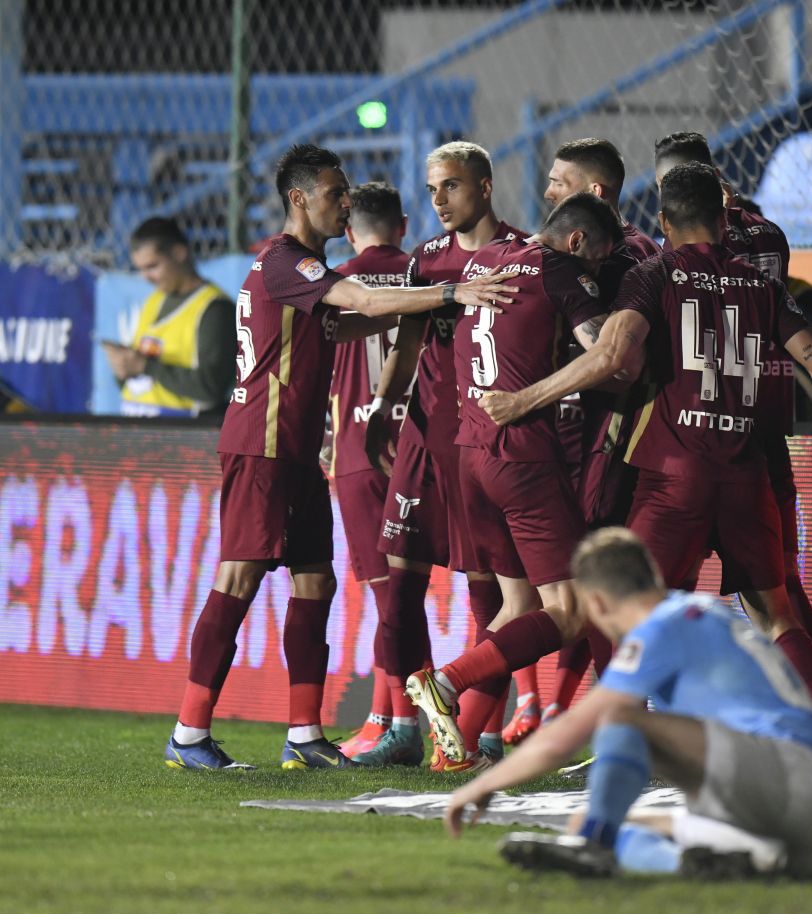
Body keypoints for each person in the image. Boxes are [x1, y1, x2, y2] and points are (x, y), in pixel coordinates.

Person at [475, 162, 812, 777]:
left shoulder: (653, 274)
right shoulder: (762, 286)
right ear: (722, 219)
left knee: (615, 602)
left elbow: (610, 355)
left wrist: (521, 400)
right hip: (747, 473)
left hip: (673, 477)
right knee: (775, 613)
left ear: (663, 223)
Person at [162, 143, 519, 771]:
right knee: (237, 581)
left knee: (316, 583)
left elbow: (347, 325)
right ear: (299, 199)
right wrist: (447, 296)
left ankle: (304, 734)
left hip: (298, 453)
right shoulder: (283, 262)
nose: (345, 202)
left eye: (347, 192)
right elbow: (365, 305)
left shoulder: (300, 275)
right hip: (262, 446)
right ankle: (189, 733)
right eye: (334, 193)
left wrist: (421, 318)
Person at [653, 132, 812, 775]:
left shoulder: (669, 262)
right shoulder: (769, 239)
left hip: (686, 446)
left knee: (650, 597)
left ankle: (652, 735)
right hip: (763, 438)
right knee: (781, 596)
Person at [444, 528, 812, 879]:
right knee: (592, 821)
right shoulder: (700, 615)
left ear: (597, 602)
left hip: (781, 778)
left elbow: (570, 732)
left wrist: (484, 784)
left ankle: (593, 846)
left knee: (621, 720)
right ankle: (733, 861)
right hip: (807, 809)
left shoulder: (663, 624)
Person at [404, 192, 622, 770]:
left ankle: (458, 748)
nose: (596, 268)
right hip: (523, 457)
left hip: (469, 456)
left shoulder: (488, 259)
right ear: (577, 241)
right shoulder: (562, 271)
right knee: (571, 610)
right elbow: (606, 355)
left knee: (517, 603)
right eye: (599, 256)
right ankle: (446, 681)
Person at [355, 141, 528, 770]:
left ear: (484, 185)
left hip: (485, 444)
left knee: (493, 597)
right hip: (424, 439)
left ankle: (474, 732)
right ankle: (414, 722)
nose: (438, 201)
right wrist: (382, 410)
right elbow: (406, 346)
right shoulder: (426, 260)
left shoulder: (520, 255)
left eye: (450, 186)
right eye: (431, 189)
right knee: (399, 585)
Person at [501, 138, 662, 747]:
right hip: (561, 438)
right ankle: (577, 716)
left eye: (557, 181)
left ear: (594, 195)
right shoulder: (547, 259)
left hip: (608, 434)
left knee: (592, 581)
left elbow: (618, 363)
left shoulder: (628, 260)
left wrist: (525, 398)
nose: (546, 193)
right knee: (571, 587)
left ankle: (623, 726)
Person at [322, 181, 424, 761]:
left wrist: (325, 441)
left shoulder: (335, 283)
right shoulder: (429, 273)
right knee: (426, 588)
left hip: (361, 449)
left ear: (348, 227)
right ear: (403, 224)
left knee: (389, 597)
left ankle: (402, 724)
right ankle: (386, 715)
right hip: (421, 446)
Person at [103, 217, 235, 418]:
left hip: (186, 436)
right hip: (137, 434)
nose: (146, 277)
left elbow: (211, 386)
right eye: (140, 269)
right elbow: (140, 380)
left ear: (179, 253)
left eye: (152, 266)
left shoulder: (214, 309)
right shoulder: (154, 300)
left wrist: (144, 366)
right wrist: (123, 367)